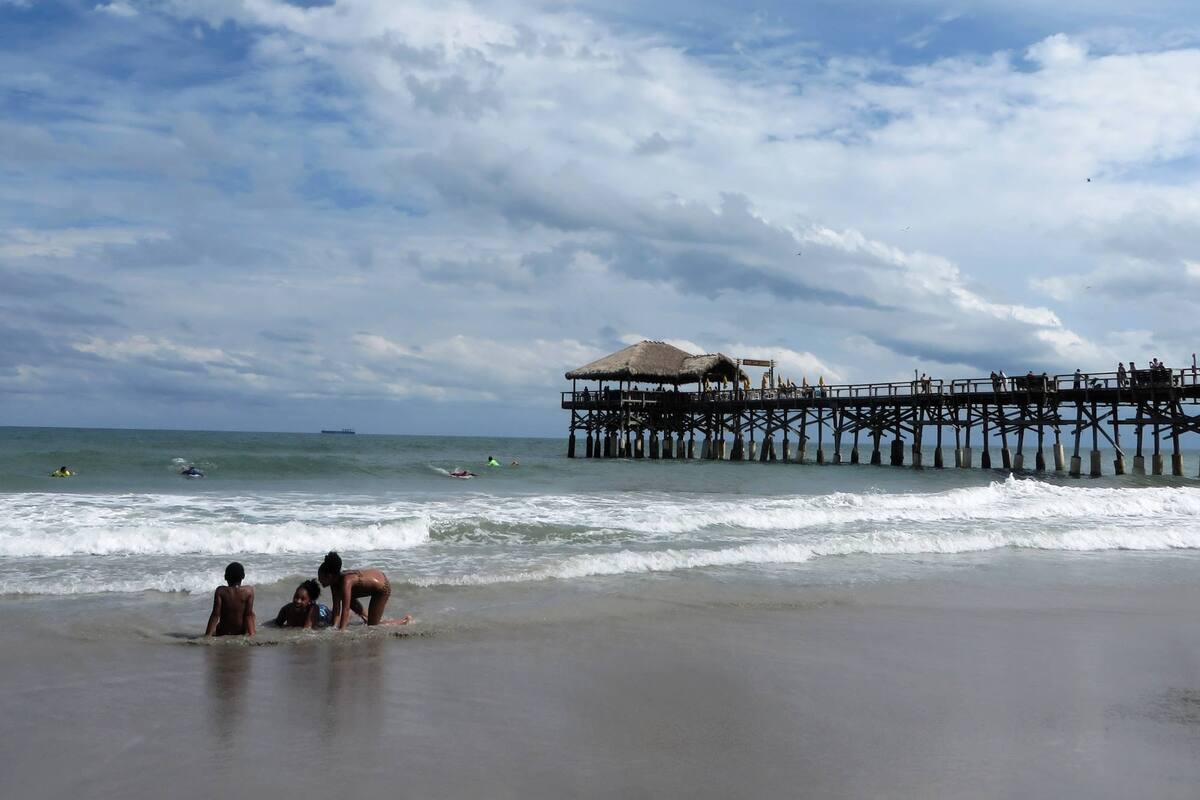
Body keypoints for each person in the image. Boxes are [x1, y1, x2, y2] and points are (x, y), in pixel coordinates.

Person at [317, 551, 412, 630]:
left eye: (320, 577)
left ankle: (405, 621)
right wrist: (333, 627)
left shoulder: (347, 581)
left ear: (329, 576)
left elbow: (345, 609)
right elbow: (336, 608)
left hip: (382, 587)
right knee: (344, 596)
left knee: (373, 626)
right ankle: (367, 617)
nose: (319, 580)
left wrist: (341, 631)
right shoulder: (334, 584)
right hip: (375, 578)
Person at [204, 562, 256, 637]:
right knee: (252, 614)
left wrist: (207, 636)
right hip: (240, 631)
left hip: (223, 632)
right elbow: (248, 615)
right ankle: (251, 633)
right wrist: (252, 635)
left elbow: (215, 615)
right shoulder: (248, 591)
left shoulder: (220, 591)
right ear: (243, 576)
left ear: (225, 577)